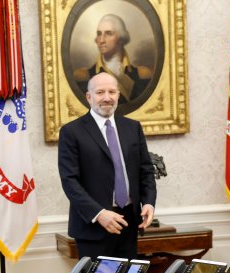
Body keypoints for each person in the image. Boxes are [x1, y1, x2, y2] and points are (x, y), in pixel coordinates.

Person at [58, 72, 157, 260]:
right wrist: (99, 213)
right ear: (89, 97)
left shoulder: (132, 127)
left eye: (112, 92)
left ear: (118, 95)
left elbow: (146, 170)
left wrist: (149, 202)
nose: (107, 98)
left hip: (129, 223)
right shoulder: (72, 132)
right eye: (100, 92)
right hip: (94, 227)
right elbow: (70, 181)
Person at [73, 14, 153, 104]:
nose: (101, 40)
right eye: (99, 34)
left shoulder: (142, 75)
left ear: (121, 38)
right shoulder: (84, 77)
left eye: (108, 33)